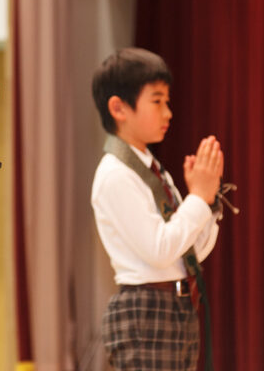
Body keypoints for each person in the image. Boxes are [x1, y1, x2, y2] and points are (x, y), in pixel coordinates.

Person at [90, 48, 223, 370]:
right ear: (119, 108)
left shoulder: (152, 169)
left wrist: (206, 202)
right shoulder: (115, 174)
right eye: (158, 101)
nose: (168, 113)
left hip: (174, 304)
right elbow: (160, 250)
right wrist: (197, 199)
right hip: (144, 309)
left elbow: (190, 251)